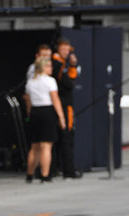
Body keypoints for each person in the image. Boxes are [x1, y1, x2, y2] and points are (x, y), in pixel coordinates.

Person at [23, 56, 66, 184]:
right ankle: (45, 174)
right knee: (46, 145)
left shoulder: (31, 82)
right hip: (47, 111)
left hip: (35, 112)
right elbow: (55, 99)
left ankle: (29, 174)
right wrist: (61, 117)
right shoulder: (50, 81)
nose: (51, 68)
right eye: (49, 66)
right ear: (43, 67)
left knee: (35, 146)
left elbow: (28, 101)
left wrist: (30, 114)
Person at [51, 37, 81, 178]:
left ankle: (56, 168)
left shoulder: (61, 64)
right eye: (64, 49)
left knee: (59, 138)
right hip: (63, 104)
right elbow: (69, 84)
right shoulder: (57, 64)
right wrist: (72, 68)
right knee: (66, 137)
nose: (66, 52)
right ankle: (68, 170)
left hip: (59, 104)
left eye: (67, 50)